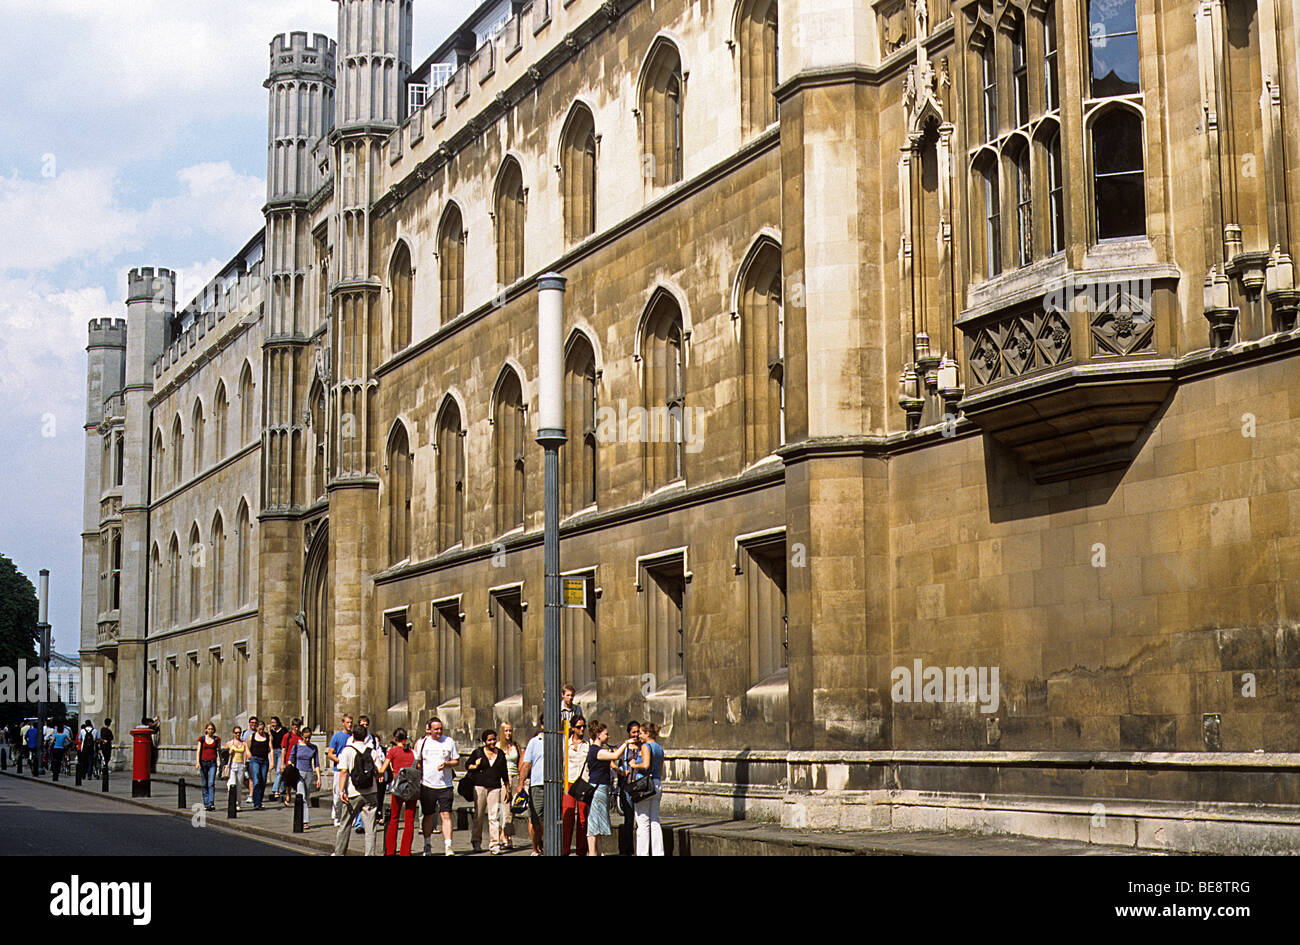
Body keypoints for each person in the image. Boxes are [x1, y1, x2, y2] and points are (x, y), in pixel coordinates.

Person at [333, 721, 387, 856]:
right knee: (370, 828)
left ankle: (339, 853)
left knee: (345, 825)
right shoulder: (372, 751)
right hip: (371, 792)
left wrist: (341, 791)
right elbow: (379, 771)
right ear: (365, 736)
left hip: (352, 793)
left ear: (353, 736)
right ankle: (370, 854)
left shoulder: (347, 751)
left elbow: (343, 772)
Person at [585, 721, 630, 856]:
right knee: (593, 823)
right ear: (598, 735)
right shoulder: (596, 751)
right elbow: (615, 756)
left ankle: (599, 852)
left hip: (601, 788)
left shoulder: (598, 750)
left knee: (597, 821)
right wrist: (626, 743)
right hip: (597, 788)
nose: (608, 736)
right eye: (606, 734)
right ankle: (592, 852)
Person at [415, 717, 459, 856]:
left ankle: (448, 846)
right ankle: (427, 844)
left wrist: (447, 764)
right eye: (436, 729)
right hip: (427, 785)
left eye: (441, 728)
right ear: (429, 729)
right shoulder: (422, 743)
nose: (439, 731)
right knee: (428, 816)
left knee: (446, 814)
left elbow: (456, 761)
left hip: (445, 785)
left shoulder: (449, 741)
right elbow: (418, 763)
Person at [465, 729, 509, 854]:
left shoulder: (500, 754)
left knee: (493, 816)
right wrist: (476, 765)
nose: (492, 742)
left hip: (495, 787)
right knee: (478, 815)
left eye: (494, 739)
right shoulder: (478, 753)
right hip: (480, 786)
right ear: (484, 741)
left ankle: (494, 844)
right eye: (489, 740)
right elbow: (467, 765)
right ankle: (476, 841)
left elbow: (504, 772)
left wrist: (508, 787)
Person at [628, 722, 665, 856]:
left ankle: (643, 853)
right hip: (656, 783)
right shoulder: (659, 748)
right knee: (654, 820)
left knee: (642, 822)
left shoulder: (645, 746)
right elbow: (660, 770)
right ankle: (658, 852)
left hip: (644, 785)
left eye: (642, 733)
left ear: (648, 734)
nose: (639, 735)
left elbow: (646, 764)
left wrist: (634, 765)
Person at [384, 728, 418, 856]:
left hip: (398, 787)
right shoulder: (413, 752)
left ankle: (390, 851)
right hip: (411, 787)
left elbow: (383, 768)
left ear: (395, 738)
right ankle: (405, 852)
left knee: (394, 818)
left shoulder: (392, 751)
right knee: (410, 820)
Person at [517, 718, 547, 855]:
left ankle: (547, 845)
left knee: (550, 819)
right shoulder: (534, 742)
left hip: (555, 785)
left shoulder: (561, 740)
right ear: (542, 725)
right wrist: (521, 783)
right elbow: (526, 764)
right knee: (536, 819)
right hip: (537, 785)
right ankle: (535, 847)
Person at [615, 721, 643, 856]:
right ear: (629, 733)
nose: (636, 735)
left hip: (640, 785)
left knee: (641, 817)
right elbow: (614, 761)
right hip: (627, 784)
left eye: (638, 731)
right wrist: (621, 771)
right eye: (634, 732)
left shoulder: (643, 747)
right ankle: (628, 849)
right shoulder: (624, 747)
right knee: (629, 817)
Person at [562, 718, 589, 855]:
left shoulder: (587, 745)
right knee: (567, 815)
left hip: (583, 782)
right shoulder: (565, 743)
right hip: (569, 781)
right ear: (572, 728)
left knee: (583, 817)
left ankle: (581, 850)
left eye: (584, 726)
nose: (582, 729)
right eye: (579, 727)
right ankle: (565, 849)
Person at [326, 713, 355, 828]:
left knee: (351, 794)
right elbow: (330, 753)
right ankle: (337, 816)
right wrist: (340, 761)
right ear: (343, 723)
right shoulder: (337, 737)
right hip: (339, 770)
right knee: (338, 794)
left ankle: (349, 817)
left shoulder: (353, 737)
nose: (349, 725)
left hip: (351, 770)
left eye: (351, 723)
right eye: (347, 722)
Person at [289, 727, 322, 826]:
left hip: (309, 773)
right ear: (302, 736)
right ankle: (305, 821)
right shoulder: (296, 746)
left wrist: (319, 778)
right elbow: (291, 760)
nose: (307, 740)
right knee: (301, 795)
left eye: (309, 738)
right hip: (298, 773)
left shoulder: (313, 748)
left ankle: (301, 817)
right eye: (306, 738)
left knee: (306, 796)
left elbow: (316, 764)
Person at [498, 721, 522, 850]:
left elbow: (520, 761)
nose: (508, 733)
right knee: (505, 807)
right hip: (503, 778)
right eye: (506, 730)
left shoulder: (515, 746)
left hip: (515, 777)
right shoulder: (498, 746)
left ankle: (506, 833)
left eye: (510, 730)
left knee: (513, 808)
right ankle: (505, 835)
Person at [195, 722, 221, 811]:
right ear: (206, 730)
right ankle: (206, 803)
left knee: (211, 783)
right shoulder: (201, 739)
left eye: (212, 729)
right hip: (203, 763)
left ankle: (211, 803)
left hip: (212, 763)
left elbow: (219, 751)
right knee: (204, 783)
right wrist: (198, 762)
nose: (210, 731)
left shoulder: (217, 739)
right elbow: (198, 751)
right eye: (209, 729)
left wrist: (221, 762)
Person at [246, 720, 271, 810]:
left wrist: (272, 763)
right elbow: (247, 747)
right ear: (256, 729)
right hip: (254, 760)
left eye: (262, 729)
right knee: (256, 780)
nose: (261, 731)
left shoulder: (267, 736)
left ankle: (259, 801)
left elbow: (270, 748)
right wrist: (247, 758)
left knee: (263, 781)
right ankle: (256, 802)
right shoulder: (251, 737)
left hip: (264, 761)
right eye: (259, 729)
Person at [223, 725, 248, 803]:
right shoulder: (229, 743)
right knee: (232, 784)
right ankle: (233, 801)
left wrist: (244, 763)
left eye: (239, 733)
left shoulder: (244, 743)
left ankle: (238, 804)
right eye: (236, 733)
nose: (238, 734)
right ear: (233, 733)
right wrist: (229, 752)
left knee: (239, 786)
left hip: (240, 765)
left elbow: (246, 754)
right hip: (233, 765)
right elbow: (224, 754)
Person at [267, 716, 288, 798]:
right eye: (271, 723)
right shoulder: (271, 732)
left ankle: (275, 789)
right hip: (273, 752)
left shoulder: (283, 730)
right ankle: (283, 788)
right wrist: (269, 731)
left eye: (274, 722)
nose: (273, 724)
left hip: (281, 751)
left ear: (278, 722)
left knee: (279, 770)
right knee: (278, 771)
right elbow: (270, 740)